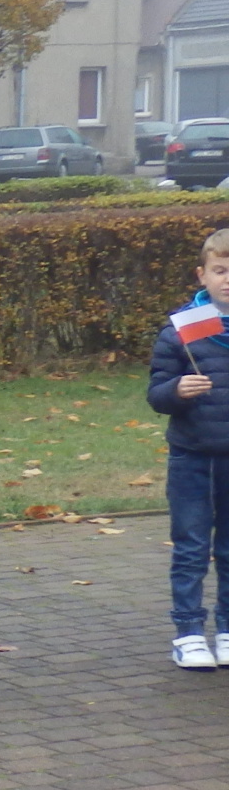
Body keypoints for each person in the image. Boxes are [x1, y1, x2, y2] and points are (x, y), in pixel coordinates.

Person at [150, 229, 229, 669]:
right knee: (192, 546)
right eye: (220, 270)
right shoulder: (181, 330)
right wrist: (177, 390)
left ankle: (227, 629)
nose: (227, 280)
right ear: (202, 275)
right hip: (192, 456)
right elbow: (156, 394)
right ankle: (189, 632)